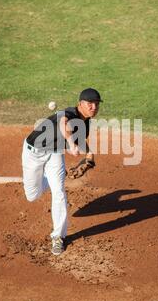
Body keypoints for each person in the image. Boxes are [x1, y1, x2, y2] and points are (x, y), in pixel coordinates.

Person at [21, 88, 102, 255]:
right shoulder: (69, 113)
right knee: (32, 196)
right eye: (90, 104)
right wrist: (71, 144)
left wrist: (89, 153)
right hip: (33, 152)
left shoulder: (86, 123)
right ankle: (49, 178)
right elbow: (64, 125)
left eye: (96, 104)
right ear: (80, 104)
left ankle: (58, 237)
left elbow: (81, 140)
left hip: (55, 153)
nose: (93, 107)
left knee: (59, 192)